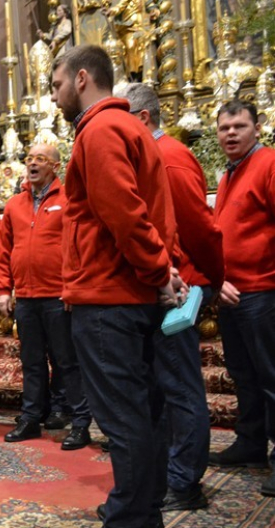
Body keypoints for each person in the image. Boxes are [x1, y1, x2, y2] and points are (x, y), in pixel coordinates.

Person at [51, 45, 183, 527]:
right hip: (130, 295)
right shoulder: (132, 127)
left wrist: (157, 271)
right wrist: (163, 270)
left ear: (82, 78)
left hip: (108, 299)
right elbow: (153, 214)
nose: (54, 97)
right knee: (145, 412)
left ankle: (132, 517)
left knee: (124, 419)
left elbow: (125, 215)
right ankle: (143, 508)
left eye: (57, 85)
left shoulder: (102, 129)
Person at [117, 82, 226, 510]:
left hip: (180, 290)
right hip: (159, 287)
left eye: (122, 118)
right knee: (160, 388)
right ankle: (166, 473)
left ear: (143, 119)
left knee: (180, 388)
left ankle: (185, 481)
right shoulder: (149, 156)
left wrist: (213, 279)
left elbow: (199, 228)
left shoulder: (171, 159)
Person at [0, 143, 93, 450]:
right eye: (29, 159)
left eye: (40, 159)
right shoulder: (13, 205)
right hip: (25, 296)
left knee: (67, 362)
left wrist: (72, 287)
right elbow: (3, 250)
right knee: (31, 361)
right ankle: (31, 419)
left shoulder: (69, 199)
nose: (33, 164)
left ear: (54, 165)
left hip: (58, 296)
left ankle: (80, 424)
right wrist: (2, 289)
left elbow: (77, 247)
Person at [209, 100, 275, 498]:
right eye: (223, 128)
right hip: (232, 294)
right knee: (243, 376)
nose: (230, 133)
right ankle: (251, 443)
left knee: (271, 377)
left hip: (262, 290)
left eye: (238, 126)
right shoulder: (232, 173)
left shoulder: (267, 164)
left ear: (257, 127)